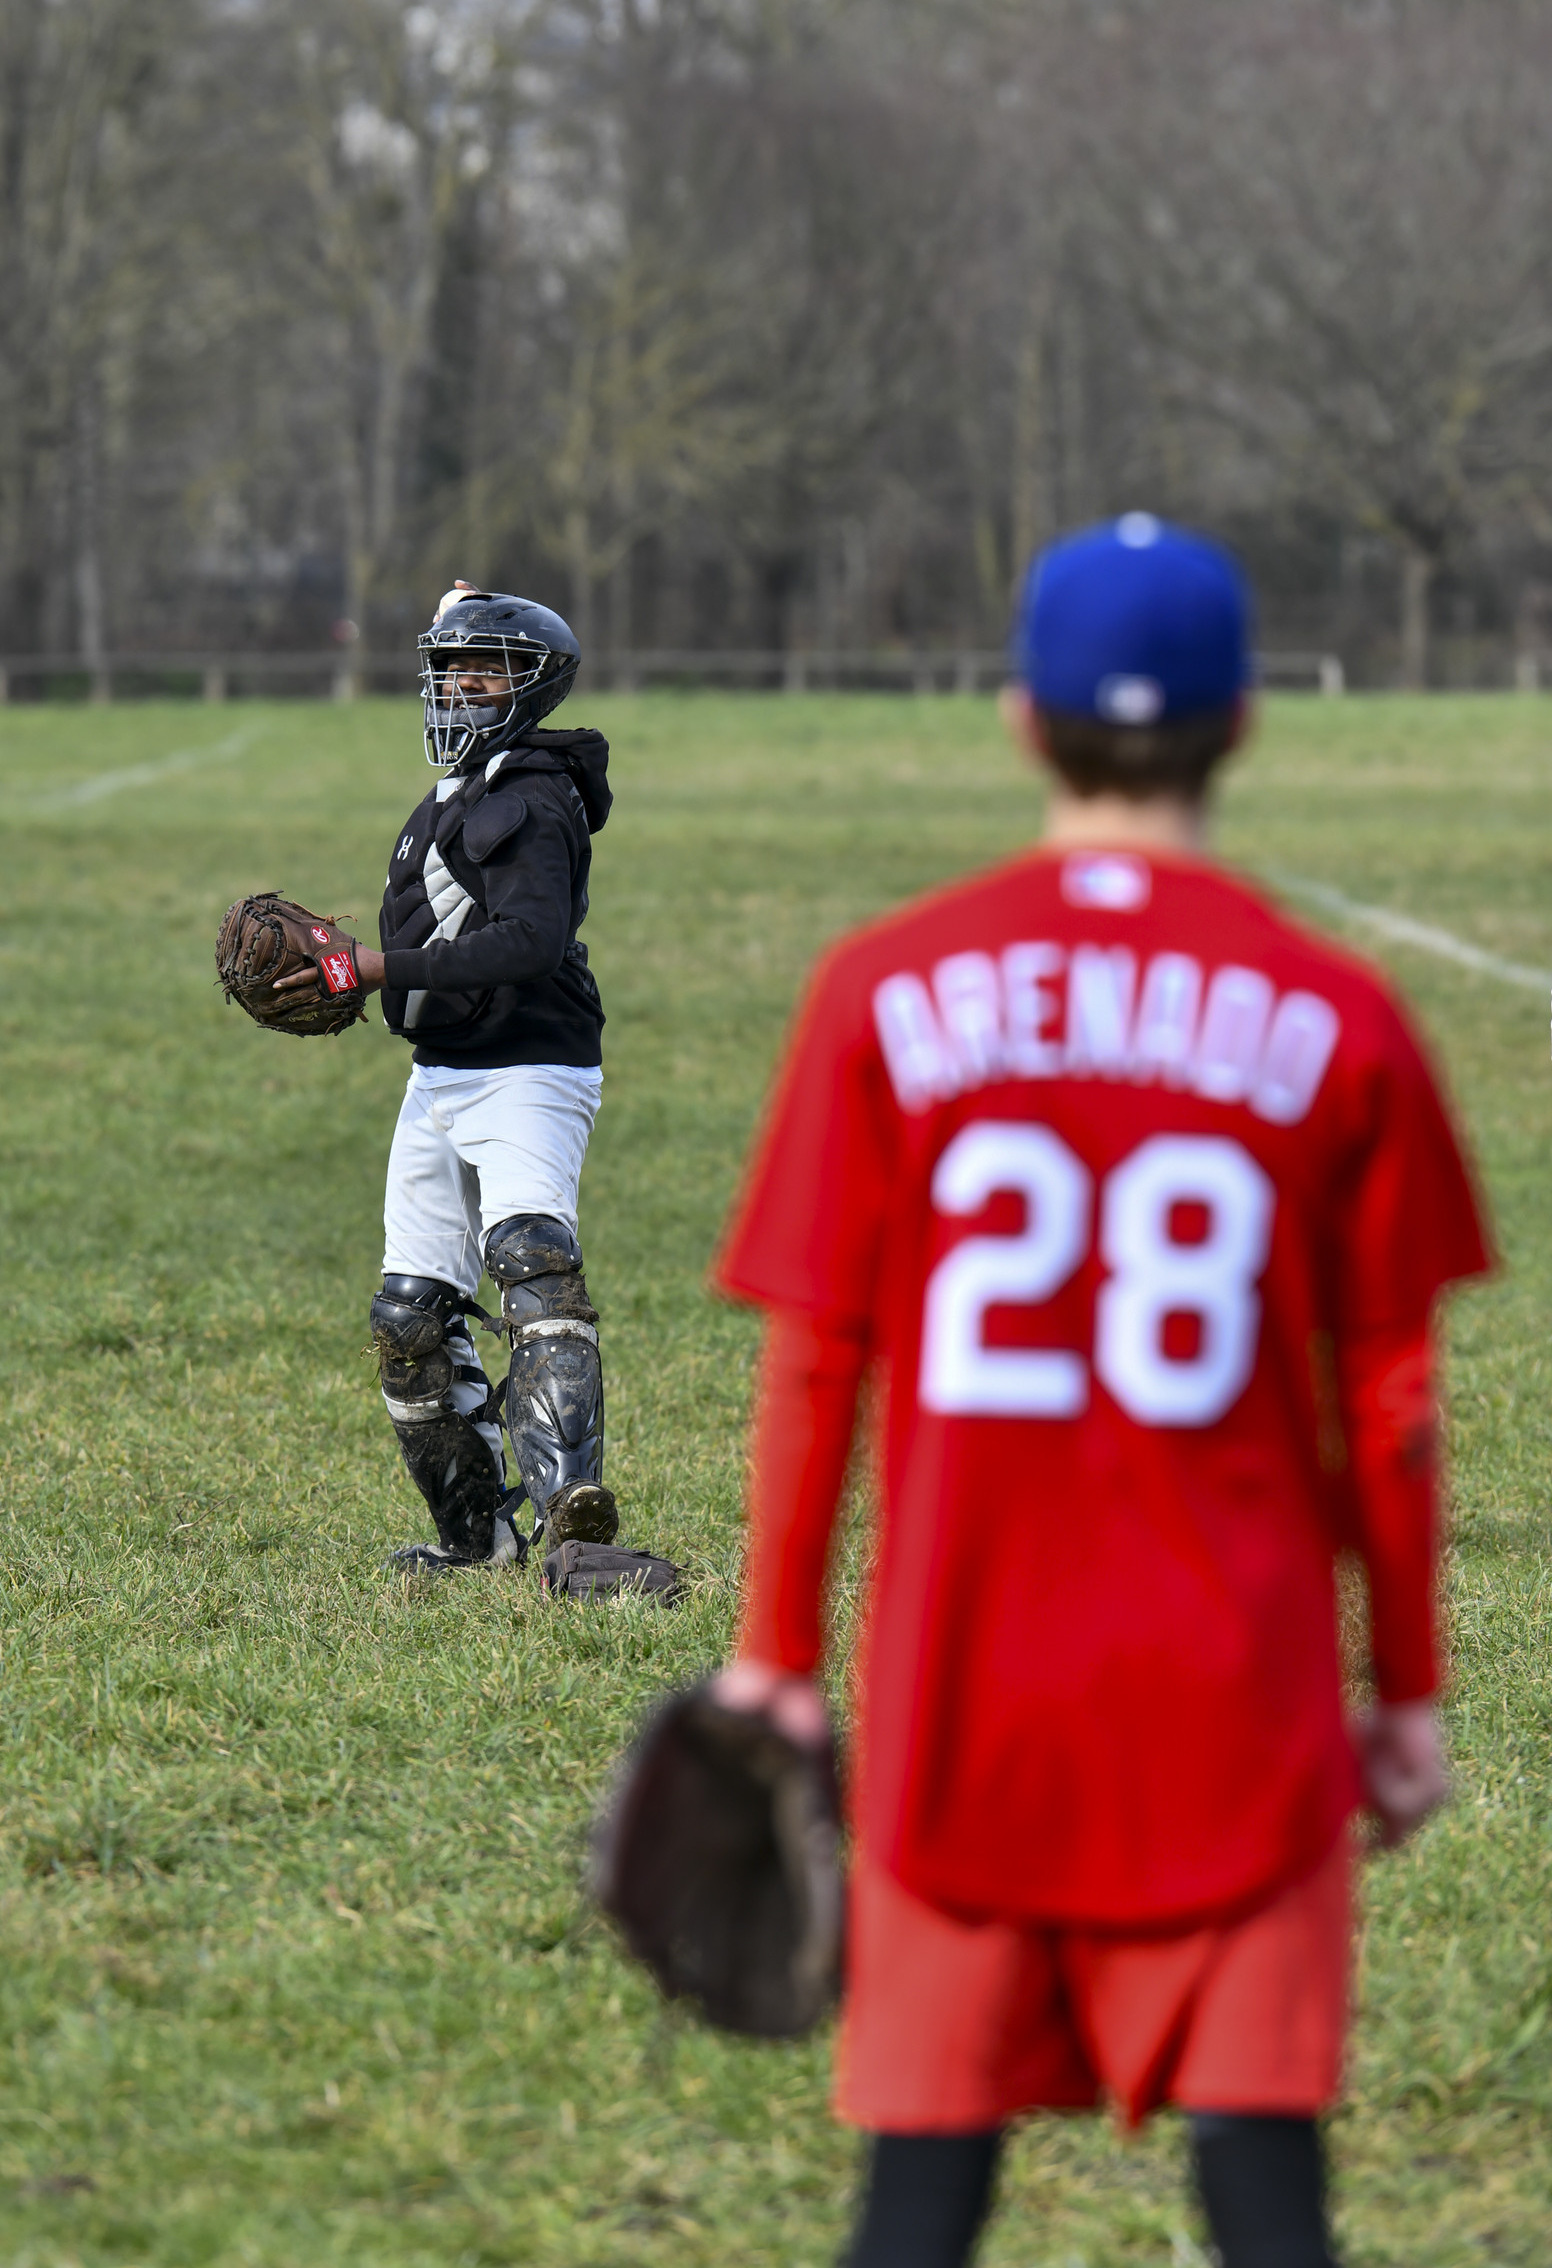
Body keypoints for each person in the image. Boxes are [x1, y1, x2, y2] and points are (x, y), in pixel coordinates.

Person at [709, 515, 1491, 2268]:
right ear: (1248, 724)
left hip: (960, 1704)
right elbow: (1391, 1397)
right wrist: (1406, 1694)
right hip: (1245, 1708)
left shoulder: (882, 988)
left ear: (1017, 720)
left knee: (916, 2202)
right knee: (1268, 2195)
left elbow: (817, 1356)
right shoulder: (1335, 1011)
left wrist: (777, 1657)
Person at [283, 581, 622, 1572]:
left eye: (485, 669)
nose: (461, 686)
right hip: (442, 1073)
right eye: (449, 668)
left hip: (531, 1067)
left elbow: (529, 940)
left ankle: (574, 1525)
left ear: (535, 683)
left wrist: (376, 969)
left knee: (530, 1260)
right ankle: (480, 1545)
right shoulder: (460, 790)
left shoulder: (533, 798)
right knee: (408, 1318)